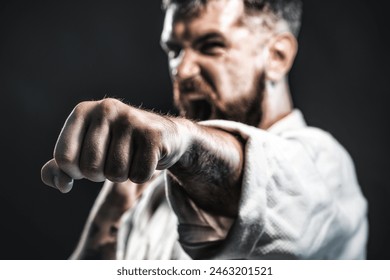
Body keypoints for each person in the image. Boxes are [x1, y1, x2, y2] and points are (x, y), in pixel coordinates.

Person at [41, 0, 368, 260]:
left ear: (277, 56)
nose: (182, 69)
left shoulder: (324, 170)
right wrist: (108, 219)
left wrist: (180, 139)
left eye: (211, 45)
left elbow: (268, 183)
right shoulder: (147, 192)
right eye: (174, 50)